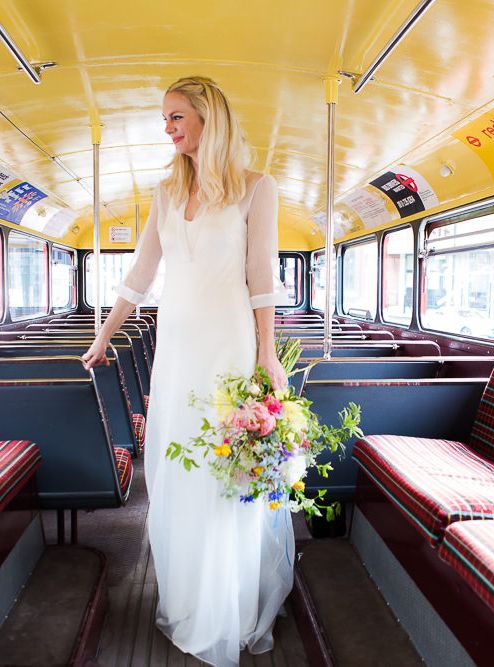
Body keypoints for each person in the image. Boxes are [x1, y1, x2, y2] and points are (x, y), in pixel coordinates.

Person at [82, 76, 292, 666]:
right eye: (165, 119)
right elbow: (140, 274)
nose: (168, 128)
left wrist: (267, 353)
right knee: (177, 470)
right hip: (176, 347)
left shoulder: (257, 188)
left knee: (221, 472)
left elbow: (261, 281)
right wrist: (105, 333)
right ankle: (190, 596)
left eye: (176, 116)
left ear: (209, 117)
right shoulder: (166, 191)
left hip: (227, 345)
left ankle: (226, 604)